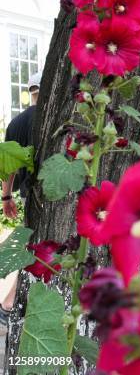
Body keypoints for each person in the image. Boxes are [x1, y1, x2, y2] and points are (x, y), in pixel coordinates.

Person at [0, 72, 41, 326]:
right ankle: (8, 306)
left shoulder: (15, 123)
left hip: (26, 195)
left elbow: (9, 167)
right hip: (45, 195)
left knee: (30, 246)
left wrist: (6, 197)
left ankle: (8, 305)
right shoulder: (49, 118)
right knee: (32, 249)